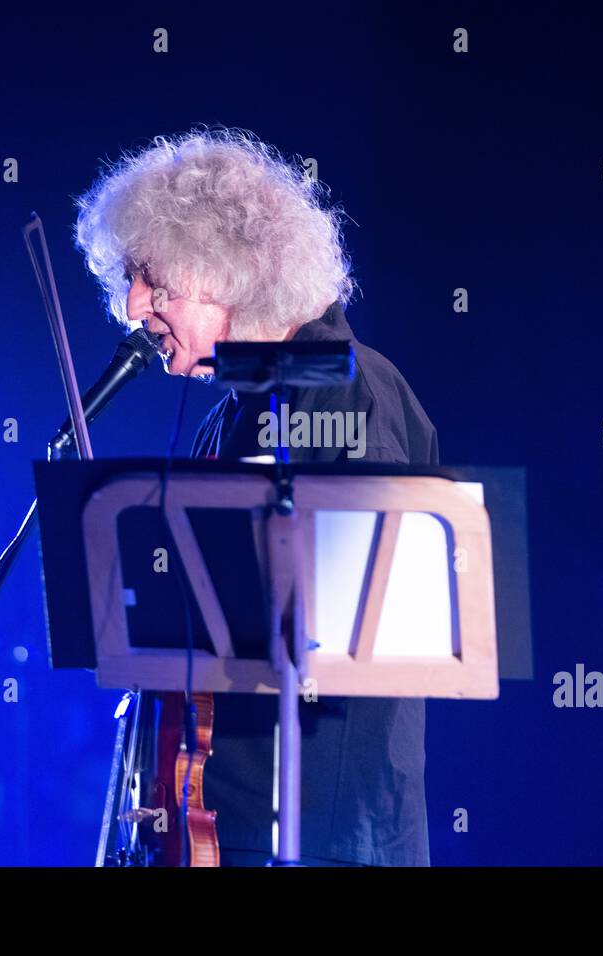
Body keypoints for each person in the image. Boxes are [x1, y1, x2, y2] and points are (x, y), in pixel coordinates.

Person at [75, 128, 438, 866]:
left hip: (322, 835)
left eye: (150, 276)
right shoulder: (234, 407)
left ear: (222, 269)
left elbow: (355, 613)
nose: (133, 304)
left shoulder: (347, 386)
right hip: (232, 827)